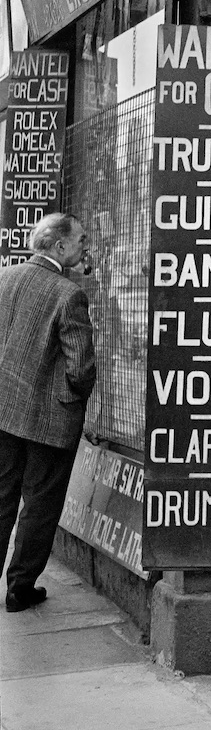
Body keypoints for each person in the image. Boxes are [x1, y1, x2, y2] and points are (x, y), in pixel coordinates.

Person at [0, 213, 94, 613]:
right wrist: (76, 395)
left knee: (2, 495)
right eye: (80, 241)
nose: (85, 248)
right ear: (59, 247)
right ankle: (21, 587)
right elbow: (81, 367)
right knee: (41, 501)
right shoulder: (68, 294)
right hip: (50, 419)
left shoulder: (5, 278)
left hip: (4, 412)